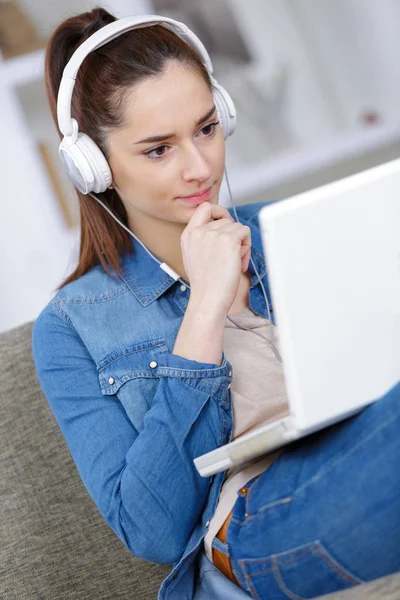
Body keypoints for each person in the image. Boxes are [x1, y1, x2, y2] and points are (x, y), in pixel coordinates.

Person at [32, 8, 400, 600]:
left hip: (362, 450)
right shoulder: (73, 326)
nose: (200, 167)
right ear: (93, 168)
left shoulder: (290, 230)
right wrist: (203, 306)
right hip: (258, 525)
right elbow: (150, 529)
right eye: (157, 150)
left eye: (206, 128)